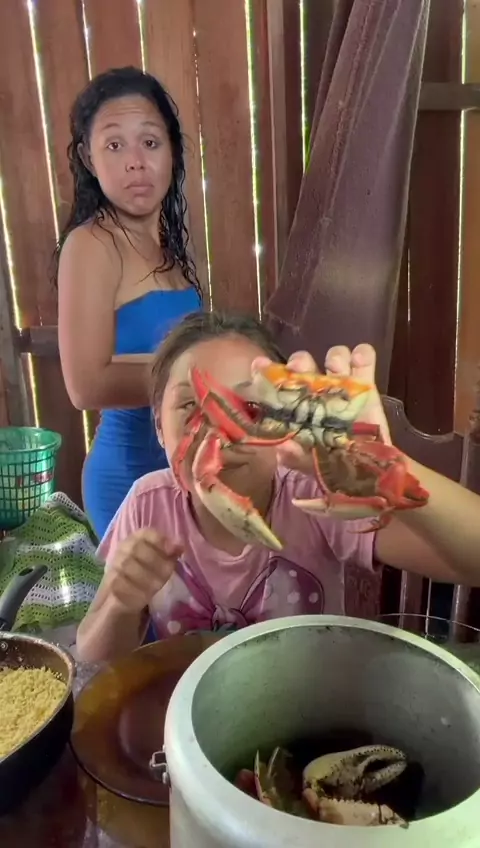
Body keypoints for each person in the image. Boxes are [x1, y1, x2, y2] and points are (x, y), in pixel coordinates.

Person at [75, 312, 480, 662]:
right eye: (190, 406)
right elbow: (92, 655)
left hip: (311, 707)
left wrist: (391, 469)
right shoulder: (148, 506)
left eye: (250, 407)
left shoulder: (313, 495)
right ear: (160, 428)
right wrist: (120, 603)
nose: (220, 432)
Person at [56, 66, 202, 540]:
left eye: (150, 142)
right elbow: (86, 385)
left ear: (172, 150)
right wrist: (204, 374)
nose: (135, 162)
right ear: (89, 157)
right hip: (127, 479)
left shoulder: (168, 251)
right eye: (115, 145)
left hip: (182, 476)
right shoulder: (91, 245)